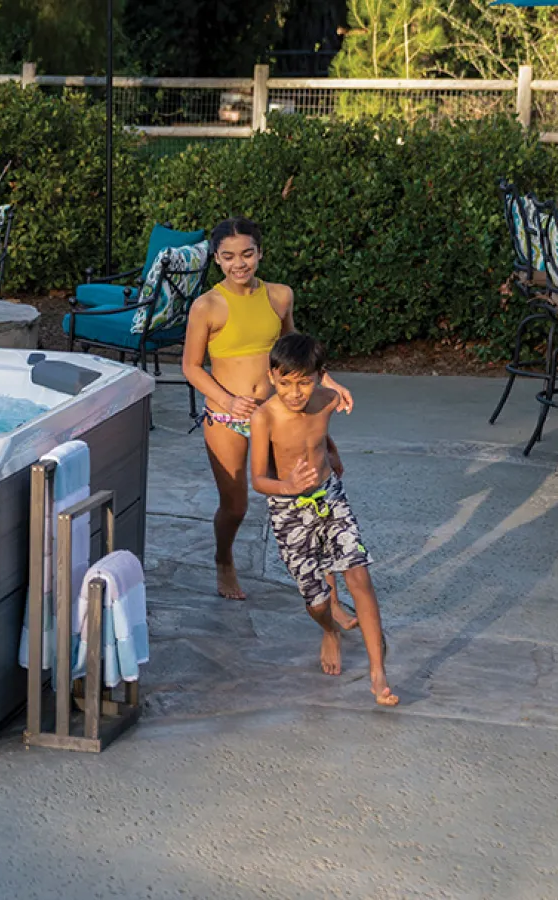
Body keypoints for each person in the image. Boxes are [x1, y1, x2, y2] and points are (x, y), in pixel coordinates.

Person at [181, 217, 354, 601]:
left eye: (246, 254)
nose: (238, 263)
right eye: (228, 257)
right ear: (216, 259)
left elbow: (295, 351)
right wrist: (227, 400)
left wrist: (328, 381)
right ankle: (224, 559)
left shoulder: (279, 296)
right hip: (227, 417)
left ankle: (326, 588)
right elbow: (191, 367)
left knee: (310, 494)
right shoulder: (206, 306)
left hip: (277, 415)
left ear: (260, 253)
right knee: (237, 504)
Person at [250, 334, 397, 706]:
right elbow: (257, 479)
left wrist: (332, 452)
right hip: (288, 509)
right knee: (316, 601)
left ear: (319, 377)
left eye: (304, 382)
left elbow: (318, 433)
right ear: (272, 377)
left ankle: (378, 670)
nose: (295, 393)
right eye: (285, 383)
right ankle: (329, 630)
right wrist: (286, 485)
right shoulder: (264, 416)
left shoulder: (328, 400)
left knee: (359, 574)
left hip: (330, 497)